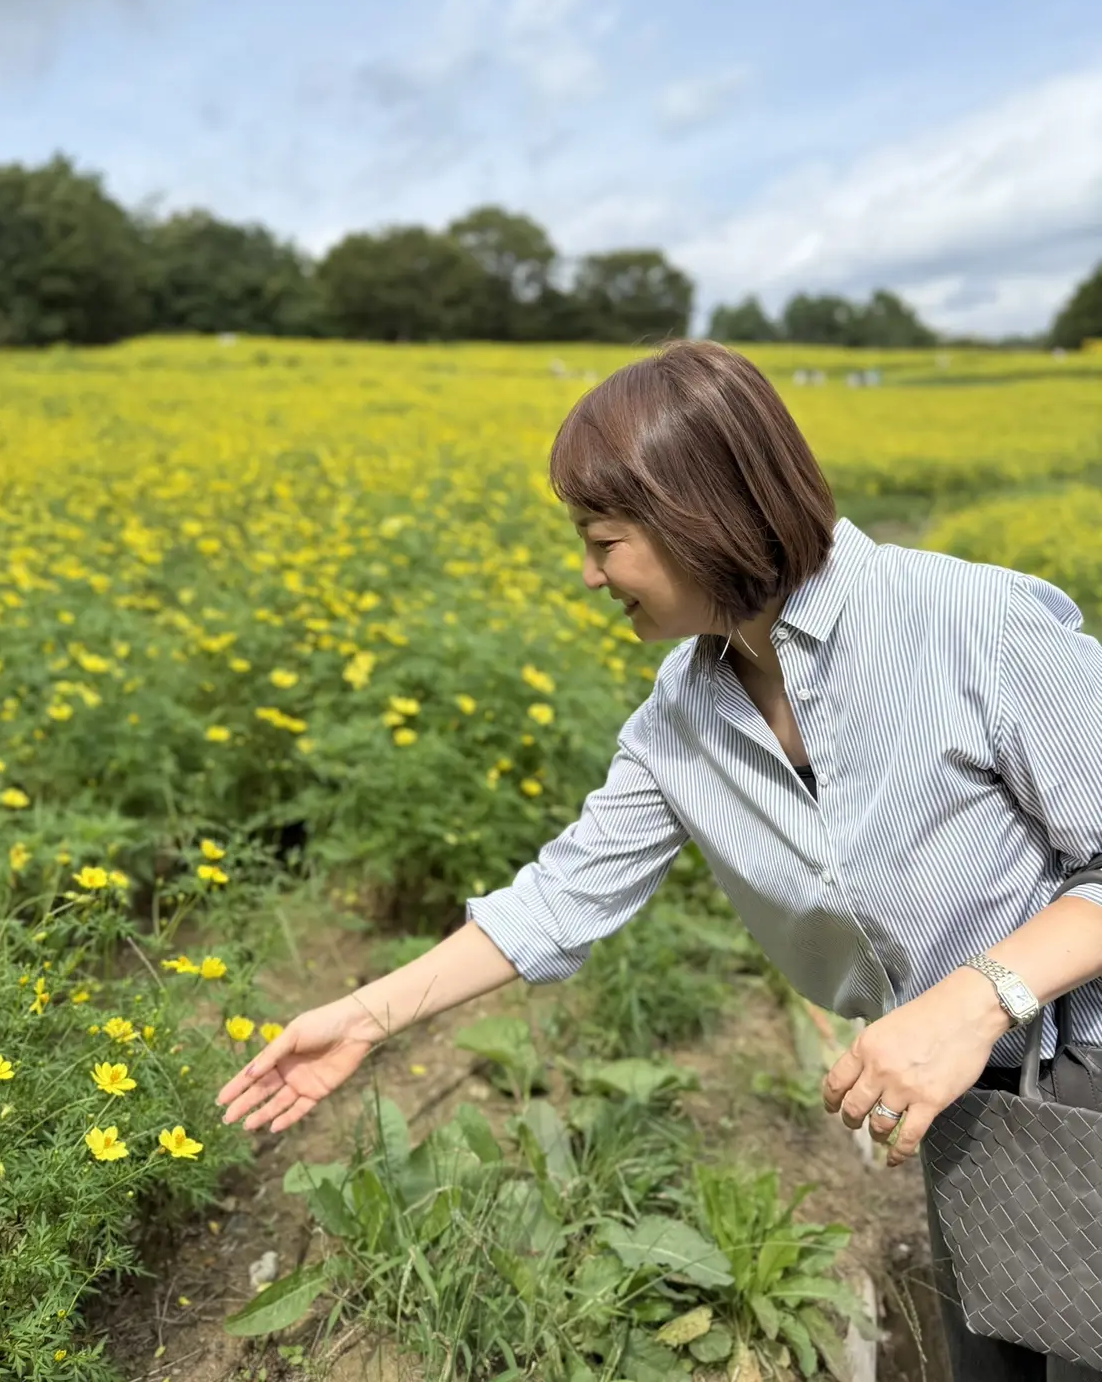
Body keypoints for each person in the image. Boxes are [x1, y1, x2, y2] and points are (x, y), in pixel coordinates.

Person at [216, 339, 1102, 1381]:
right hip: (958, 1097)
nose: (587, 575)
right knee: (997, 1355)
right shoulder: (683, 717)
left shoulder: (977, 623)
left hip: (1076, 1052)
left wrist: (973, 998)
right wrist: (361, 1018)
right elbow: (561, 896)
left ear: (701, 515)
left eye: (602, 540)